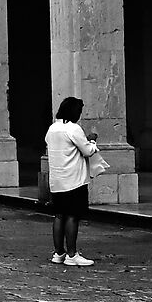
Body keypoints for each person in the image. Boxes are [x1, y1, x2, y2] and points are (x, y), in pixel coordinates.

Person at [44, 95, 108, 265]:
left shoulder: (52, 129)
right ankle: (72, 255)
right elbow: (87, 151)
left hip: (57, 180)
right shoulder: (73, 129)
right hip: (74, 180)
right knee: (72, 216)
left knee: (59, 216)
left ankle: (58, 253)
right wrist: (92, 139)